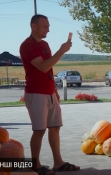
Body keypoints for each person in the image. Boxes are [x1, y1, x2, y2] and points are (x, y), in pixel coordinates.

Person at [19, 14, 80, 175]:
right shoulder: (27, 46)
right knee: (39, 130)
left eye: (48, 26)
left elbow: (50, 70)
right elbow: (44, 67)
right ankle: (35, 165)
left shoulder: (45, 44)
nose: (48, 29)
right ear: (34, 26)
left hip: (49, 93)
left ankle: (58, 163)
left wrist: (54, 90)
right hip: (36, 94)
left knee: (55, 127)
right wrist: (62, 51)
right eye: (45, 26)